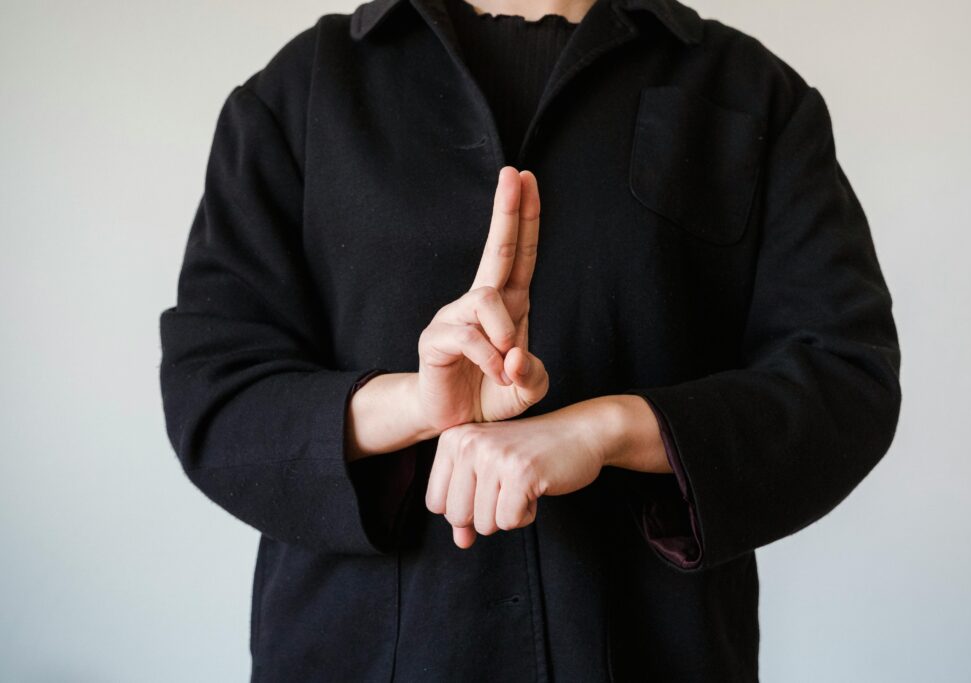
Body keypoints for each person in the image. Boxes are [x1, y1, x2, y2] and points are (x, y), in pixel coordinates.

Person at [158, 0, 902, 679]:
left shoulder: (751, 93)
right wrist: (420, 403)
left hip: (659, 656)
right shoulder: (300, 95)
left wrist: (608, 429)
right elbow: (214, 393)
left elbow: (845, 376)